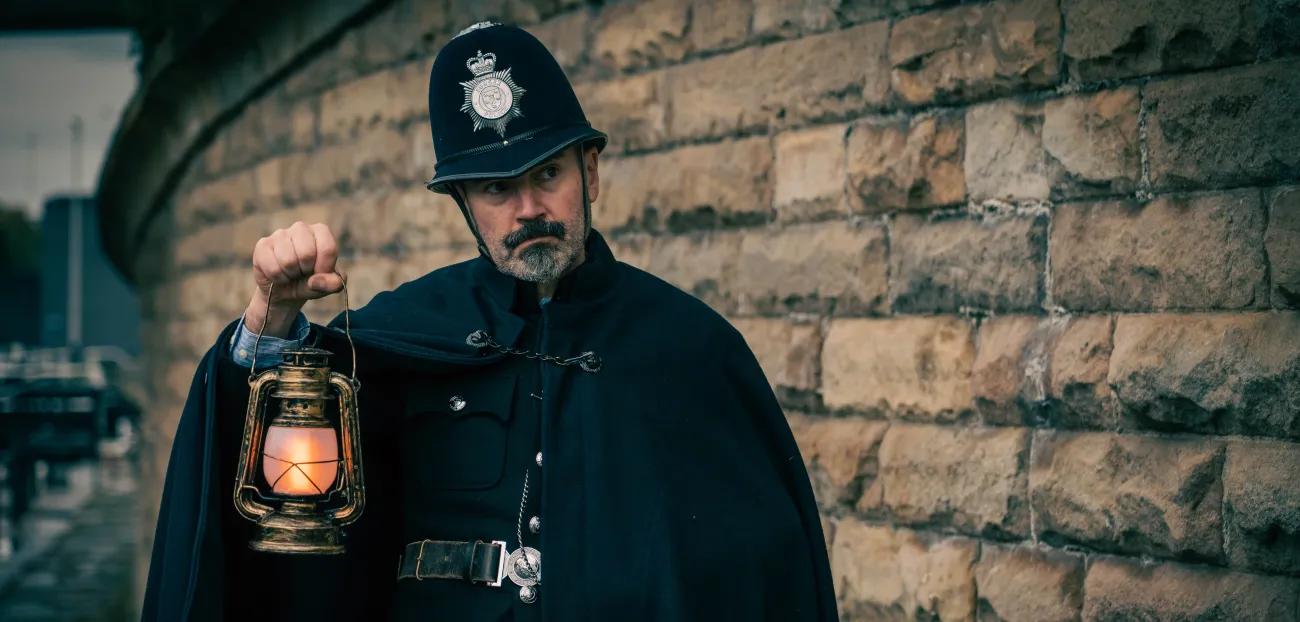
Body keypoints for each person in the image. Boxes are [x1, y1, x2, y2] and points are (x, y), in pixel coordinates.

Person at [142, 22, 836, 621]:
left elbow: (764, 570)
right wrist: (271, 324)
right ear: (464, 205)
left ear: (590, 173)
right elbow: (281, 510)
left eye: (547, 174)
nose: (528, 208)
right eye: (498, 188)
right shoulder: (400, 338)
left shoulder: (691, 348)